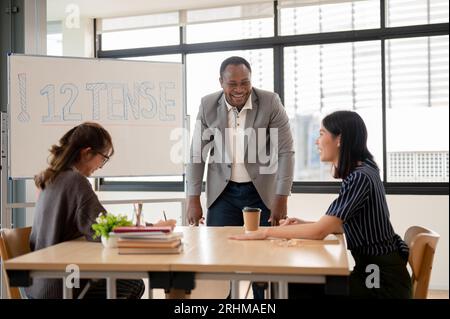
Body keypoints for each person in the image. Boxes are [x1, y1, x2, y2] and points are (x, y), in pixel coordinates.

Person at [230, 110, 412, 299]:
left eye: (322, 133)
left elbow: (320, 232)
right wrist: (304, 224)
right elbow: (340, 226)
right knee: (292, 284)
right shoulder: (364, 171)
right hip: (374, 273)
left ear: (339, 139)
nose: (317, 141)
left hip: (380, 284)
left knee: (288, 287)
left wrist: (264, 232)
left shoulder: (360, 177)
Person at [26, 122, 175, 299]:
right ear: (87, 153)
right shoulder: (75, 181)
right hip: (62, 287)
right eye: (103, 158)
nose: (101, 166)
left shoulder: (50, 178)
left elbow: (95, 226)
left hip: (39, 285)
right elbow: (106, 231)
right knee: (134, 284)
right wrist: (153, 229)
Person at [186, 56, 295, 298]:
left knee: (264, 261)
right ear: (221, 82)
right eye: (232, 84)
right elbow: (196, 154)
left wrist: (282, 196)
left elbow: (286, 151)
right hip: (223, 195)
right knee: (219, 259)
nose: (239, 89)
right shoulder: (207, 105)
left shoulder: (269, 102)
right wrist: (192, 198)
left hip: (261, 194)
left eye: (244, 83)